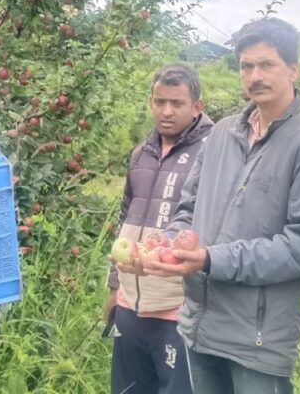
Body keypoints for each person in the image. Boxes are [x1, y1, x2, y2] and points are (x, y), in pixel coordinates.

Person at [146, 18, 300, 393]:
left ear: (293, 69)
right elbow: (188, 209)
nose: (256, 75)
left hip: (258, 337)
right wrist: (169, 244)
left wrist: (211, 260)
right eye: (246, 66)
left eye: (267, 64)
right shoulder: (222, 133)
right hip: (199, 324)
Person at [106, 63, 214, 394]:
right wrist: (114, 287)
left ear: (197, 106)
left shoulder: (212, 153)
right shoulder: (142, 153)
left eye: (177, 103)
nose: (166, 111)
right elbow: (126, 217)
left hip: (176, 307)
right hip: (130, 303)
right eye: (159, 101)